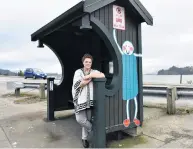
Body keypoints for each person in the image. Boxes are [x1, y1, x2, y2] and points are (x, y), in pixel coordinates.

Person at [71, 53, 105, 148]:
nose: (88, 63)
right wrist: (87, 78)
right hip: (80, 100)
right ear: (83, 62)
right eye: (86, 62)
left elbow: (102, 75)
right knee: (81, 119)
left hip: (90, 100)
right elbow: (78, 84)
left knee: (88, 119)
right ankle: (93, 130)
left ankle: (84, 138)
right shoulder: (78, 72)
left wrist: (89, 76)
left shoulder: (94, 71)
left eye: (89, 62)